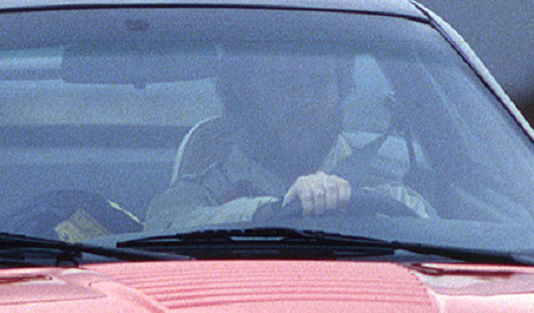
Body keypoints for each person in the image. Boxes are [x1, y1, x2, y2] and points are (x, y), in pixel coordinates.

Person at [145, 50, 433, 231]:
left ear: (341, 90)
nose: (304, 102)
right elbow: (160, 230)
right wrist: (271, 212)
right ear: (242, 93)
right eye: (284, 83)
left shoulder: (392, 199)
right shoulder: (197, 198)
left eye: (319, 83)